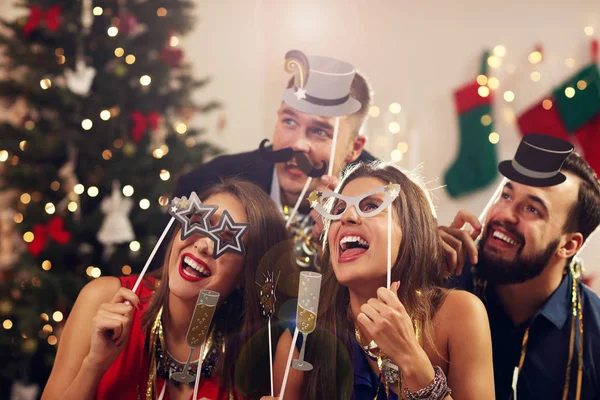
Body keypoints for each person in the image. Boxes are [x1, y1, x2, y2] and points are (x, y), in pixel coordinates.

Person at [41, 179, 296, 400]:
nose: (205, 245)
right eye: (198, 221)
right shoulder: (104, 298)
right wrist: (93, 365)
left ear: (245, 274)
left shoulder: (257, 356)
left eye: (227, 239)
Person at [268, 162, 495, 400]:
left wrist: (411, 360)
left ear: (411, 230)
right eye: (338, 209)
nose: (348, 217)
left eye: (371, 206)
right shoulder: (301, 338)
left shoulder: (460, 313)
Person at [172, 50, 376, 272]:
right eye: (289, 121)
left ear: (354, 148)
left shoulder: (382, 209)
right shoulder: (206, 186)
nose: (297, 144)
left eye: (319, 131)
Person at [442, 134, 600, 399]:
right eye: (506, 195)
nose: (504, 214)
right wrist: (415, 263)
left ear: (569, 245)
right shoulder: (442, 282)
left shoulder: (593, 336)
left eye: (532, 209)